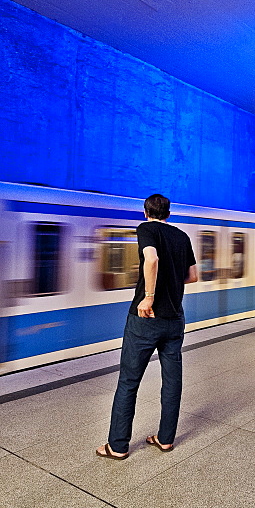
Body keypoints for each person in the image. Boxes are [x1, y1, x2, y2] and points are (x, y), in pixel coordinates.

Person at [97, 194, 198, 460]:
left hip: (146, 318)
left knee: (129, 382)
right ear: (168, 213)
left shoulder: (146, 229)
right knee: (172, 381)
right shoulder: (182, 237)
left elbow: (151, 259)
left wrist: (150, 295)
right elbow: (193, 276)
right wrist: (171, 283)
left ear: (146, 212)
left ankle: (117, 446)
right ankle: (165, 439)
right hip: (175, 318)